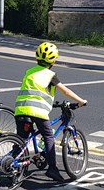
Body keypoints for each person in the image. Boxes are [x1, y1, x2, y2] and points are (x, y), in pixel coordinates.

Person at [14, 42, 87, 182]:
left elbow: (34, 92)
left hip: (21, 109)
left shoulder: (29, 72)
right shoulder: (50, 75)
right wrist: (81, 101)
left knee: (22, 139)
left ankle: (16, 167)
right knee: (48, 136)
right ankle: (52, 169)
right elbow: (65, 91)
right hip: (37, 112)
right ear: (53, 61)